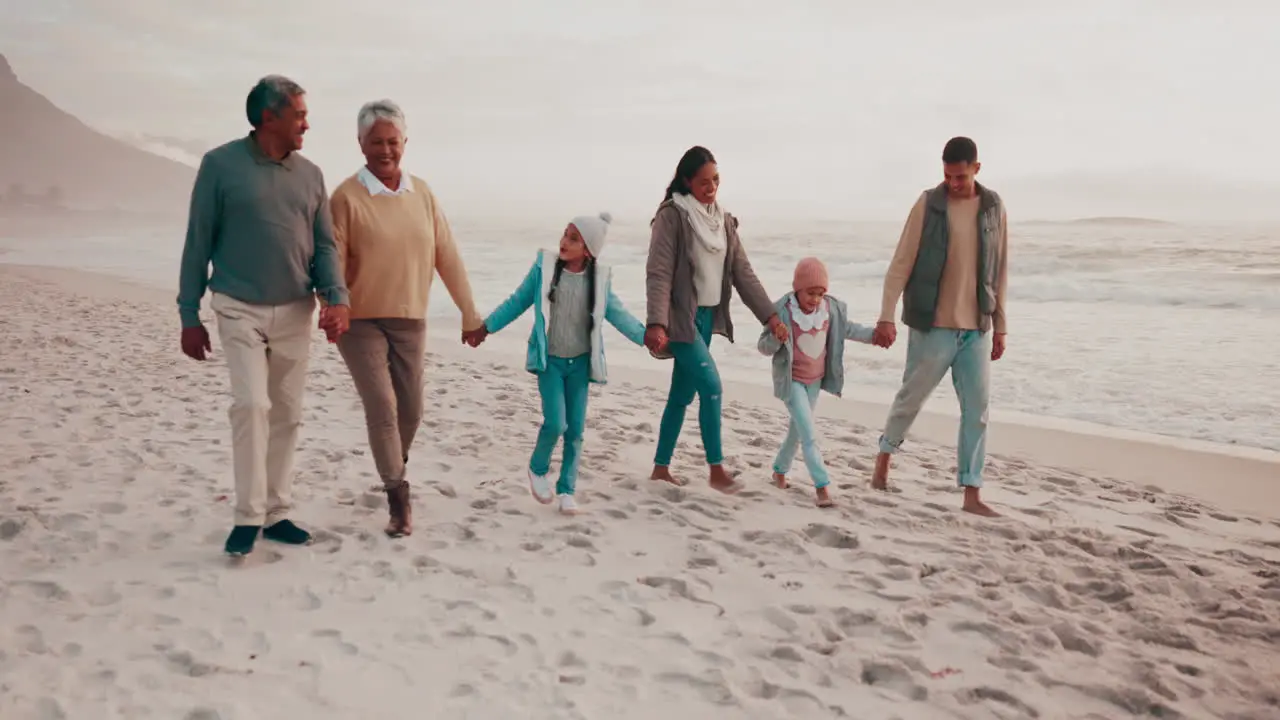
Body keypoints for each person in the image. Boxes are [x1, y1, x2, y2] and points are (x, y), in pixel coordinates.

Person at [177, 75, 351, 556]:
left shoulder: (311, 175)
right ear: (269, 117)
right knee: (252, 405)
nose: (307, 124)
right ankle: (247, 516)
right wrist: (188, 313)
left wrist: (337, 299)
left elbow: (324, 246)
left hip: (296, 308)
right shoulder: (219, 165)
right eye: (299, 114)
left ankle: (276, 513)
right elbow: (198, 241)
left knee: (288, 415)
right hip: (237, 305)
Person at [328, 99, 483, 538]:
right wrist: (332, 305)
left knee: (411, 411)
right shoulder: (345, 198)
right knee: (382, 407)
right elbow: (331, 259)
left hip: (409, 319)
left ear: (405, 143)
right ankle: (398, 496)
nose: (385, 150)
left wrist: (469, 314)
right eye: (375, 142)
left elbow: (447, 255)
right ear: (360, 144)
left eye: (392, 141)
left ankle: (394, 462)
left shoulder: (423, 194)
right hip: (359, 321)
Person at [464, 213, 645, 515]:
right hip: (550, 363)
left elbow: (619, 314)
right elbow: (517, 301)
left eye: (573, 238)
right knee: (556, 422)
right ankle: (537, 468)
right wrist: (485, 328)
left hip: (580, 365)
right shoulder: (544, 270)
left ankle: (567, 490)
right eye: (564, 234)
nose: (564, 241)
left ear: (588, 250)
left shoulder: (598, 281)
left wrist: (646, 338)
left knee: (575, 431)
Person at [870, 136, 1010, 516]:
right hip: (933, 326)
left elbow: (1000, 270)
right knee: (910, 398)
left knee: (977, 410)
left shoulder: (994, 207)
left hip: (975, 330)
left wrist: (1000, 325)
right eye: (948, 176)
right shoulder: (928, 204)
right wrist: (886, 314)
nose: (954, 183)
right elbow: (901, 262)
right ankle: (883, 459)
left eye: (961, 176)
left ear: (976, 169)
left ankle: (971, 492)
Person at [644, 145, 787, 494]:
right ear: (687, 180)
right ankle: (716, 469)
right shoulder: (673, 216)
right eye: (704, 182)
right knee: (712, 388)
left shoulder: (722, 220)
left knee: (681, 394)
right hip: (682, 321)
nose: (712, 187)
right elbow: (659, 273)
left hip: (708, 319)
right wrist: (656, 323)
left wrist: (770, 316)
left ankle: (661, 468)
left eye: (716, 180)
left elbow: (743, 273)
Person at [758, 258, 879, 507]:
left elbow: (850, 329)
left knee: (797, 431)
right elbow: (763, 346)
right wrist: (777, 338)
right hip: (791, 382)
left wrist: (875, 336)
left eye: (820, 293)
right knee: (809, 434)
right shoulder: (782, 312)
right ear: (797, 289)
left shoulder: (829, 310)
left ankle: (779, 470)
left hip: (815, 382)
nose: (815, 299)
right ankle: (822, 487)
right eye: (810, 293)